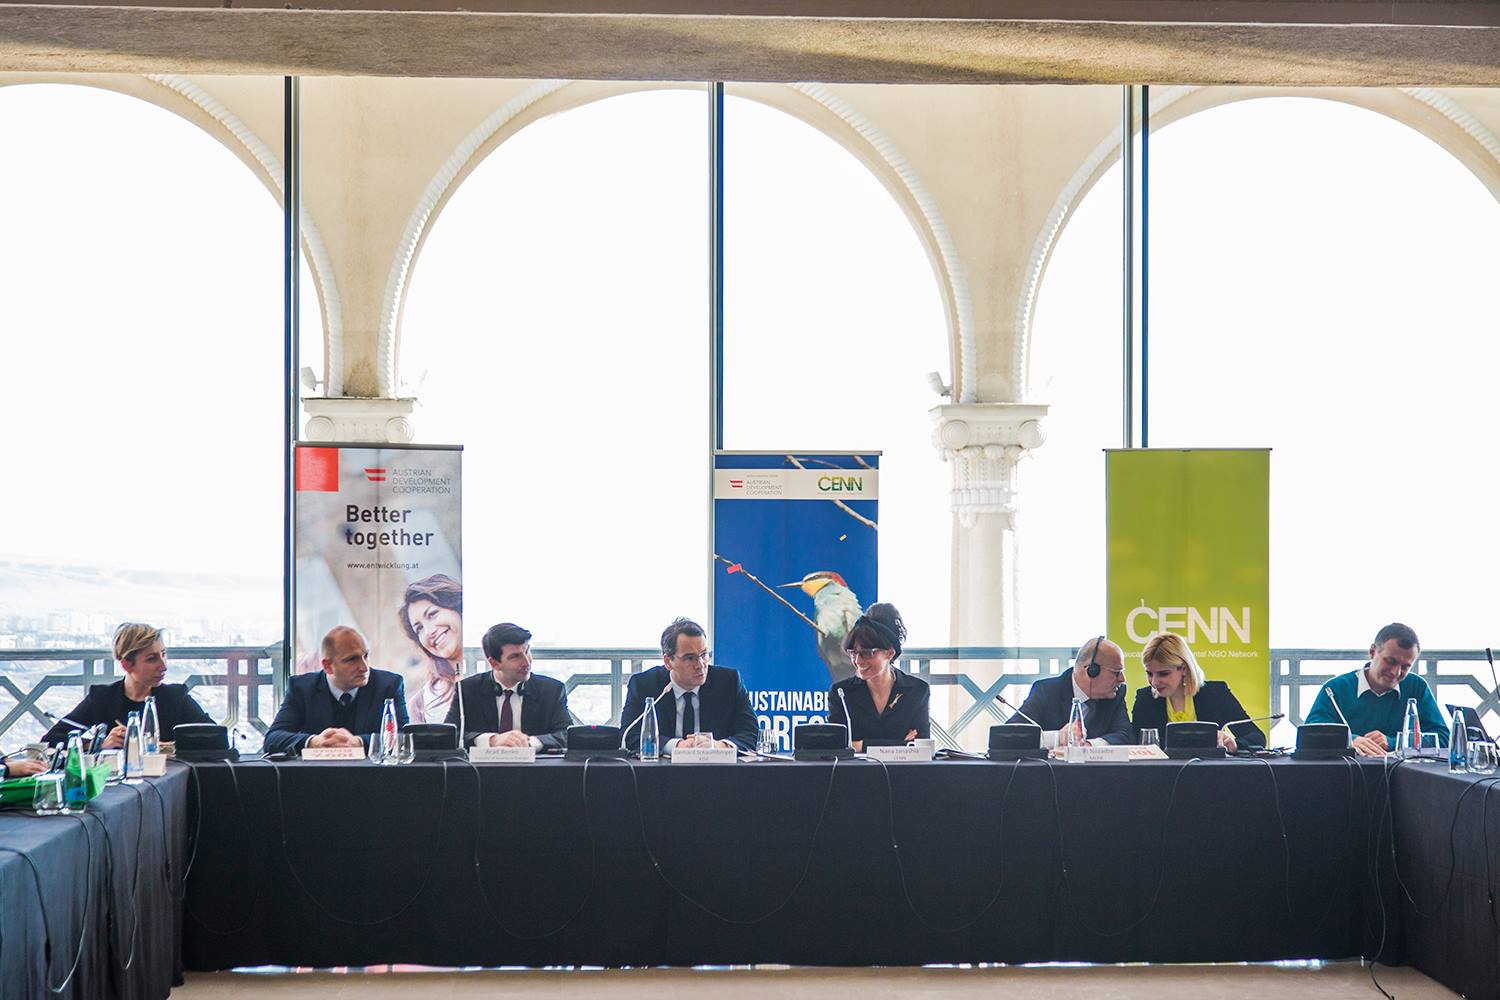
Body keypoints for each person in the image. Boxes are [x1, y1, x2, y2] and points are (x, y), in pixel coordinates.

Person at [41, 622, 213, 748]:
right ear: (127, 665)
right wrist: (98, 743)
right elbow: (51, 739)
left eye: (163, 654)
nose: (163, 666)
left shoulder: (175, 696)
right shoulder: (102, 697)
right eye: (152, 659)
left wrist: (166, 746)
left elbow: (214, 737)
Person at [1305, 622, 1448, 756]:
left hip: (1402, 773)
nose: (1395, 672)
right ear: (1372, 652)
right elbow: (1309, 735)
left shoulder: (1416, 687)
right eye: (1390, 662)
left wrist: (1393, 742)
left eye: (1405, 667)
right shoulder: (1335, 689)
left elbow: (1443, 738)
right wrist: (1348, 740)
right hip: (1345, 772)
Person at [619, 617, 758, 752]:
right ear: (668, 661)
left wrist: (718, 746)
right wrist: (677, 746)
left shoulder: (728, 682)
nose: (700, 665)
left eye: (704, 655)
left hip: (716, 767)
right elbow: (629, 735)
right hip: (663, 767)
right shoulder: (644, 685)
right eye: (690, 658)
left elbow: (751, 733)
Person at [265, 626, 408, 754]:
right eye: (352, 659)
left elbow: (404, 738)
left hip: (373, 773)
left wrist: (358, 742)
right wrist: (313, 742)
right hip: (316, 773)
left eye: (365, 656)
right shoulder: (302, 688)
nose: (364, 667)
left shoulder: (389, 685)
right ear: (327, 666)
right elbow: (273, 738)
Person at [1130, 631, 1265, 751]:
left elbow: (1257, 737)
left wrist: (1234, 744)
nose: (1154, 682)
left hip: (1211, 770)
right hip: (1162, 771)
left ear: (1184, 668)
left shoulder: (1216, 694)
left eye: (1163, 674)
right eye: (1149, 674)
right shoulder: (1144, 699)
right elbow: (1135, 742)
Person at [444, 622, 571, 749]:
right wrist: (491, 740)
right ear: (494, 663)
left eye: (527, 651)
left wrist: (529, 743)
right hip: (483, 762)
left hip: (534, 761)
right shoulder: (467, 689)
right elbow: (449, 735)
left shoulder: (552, 690)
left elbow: (567, 734)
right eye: (515, 656)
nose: (526, 662)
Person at [826, 603, 929, 750]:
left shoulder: (917, 690)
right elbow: (835, 746)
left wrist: (859, 745)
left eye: (867, 653)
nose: (858, 661)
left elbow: (921, 747)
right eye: (853, 653)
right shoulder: (841, 693)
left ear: (890, 653)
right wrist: (900, 745)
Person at [1016, 636, 1133, 747]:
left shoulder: (1116, 694)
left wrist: (1090, 745)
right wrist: (1057, 737)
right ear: (1091, 670)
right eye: (1116, 672)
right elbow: (1013, 735)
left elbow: (1126, 734)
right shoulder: (1046, 691)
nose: (1122, 679)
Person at [399, 574, 465, 724]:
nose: (429, 632)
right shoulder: (421, 704)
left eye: (432, 614)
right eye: (419, 629)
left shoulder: (508, 671)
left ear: (458, 607)